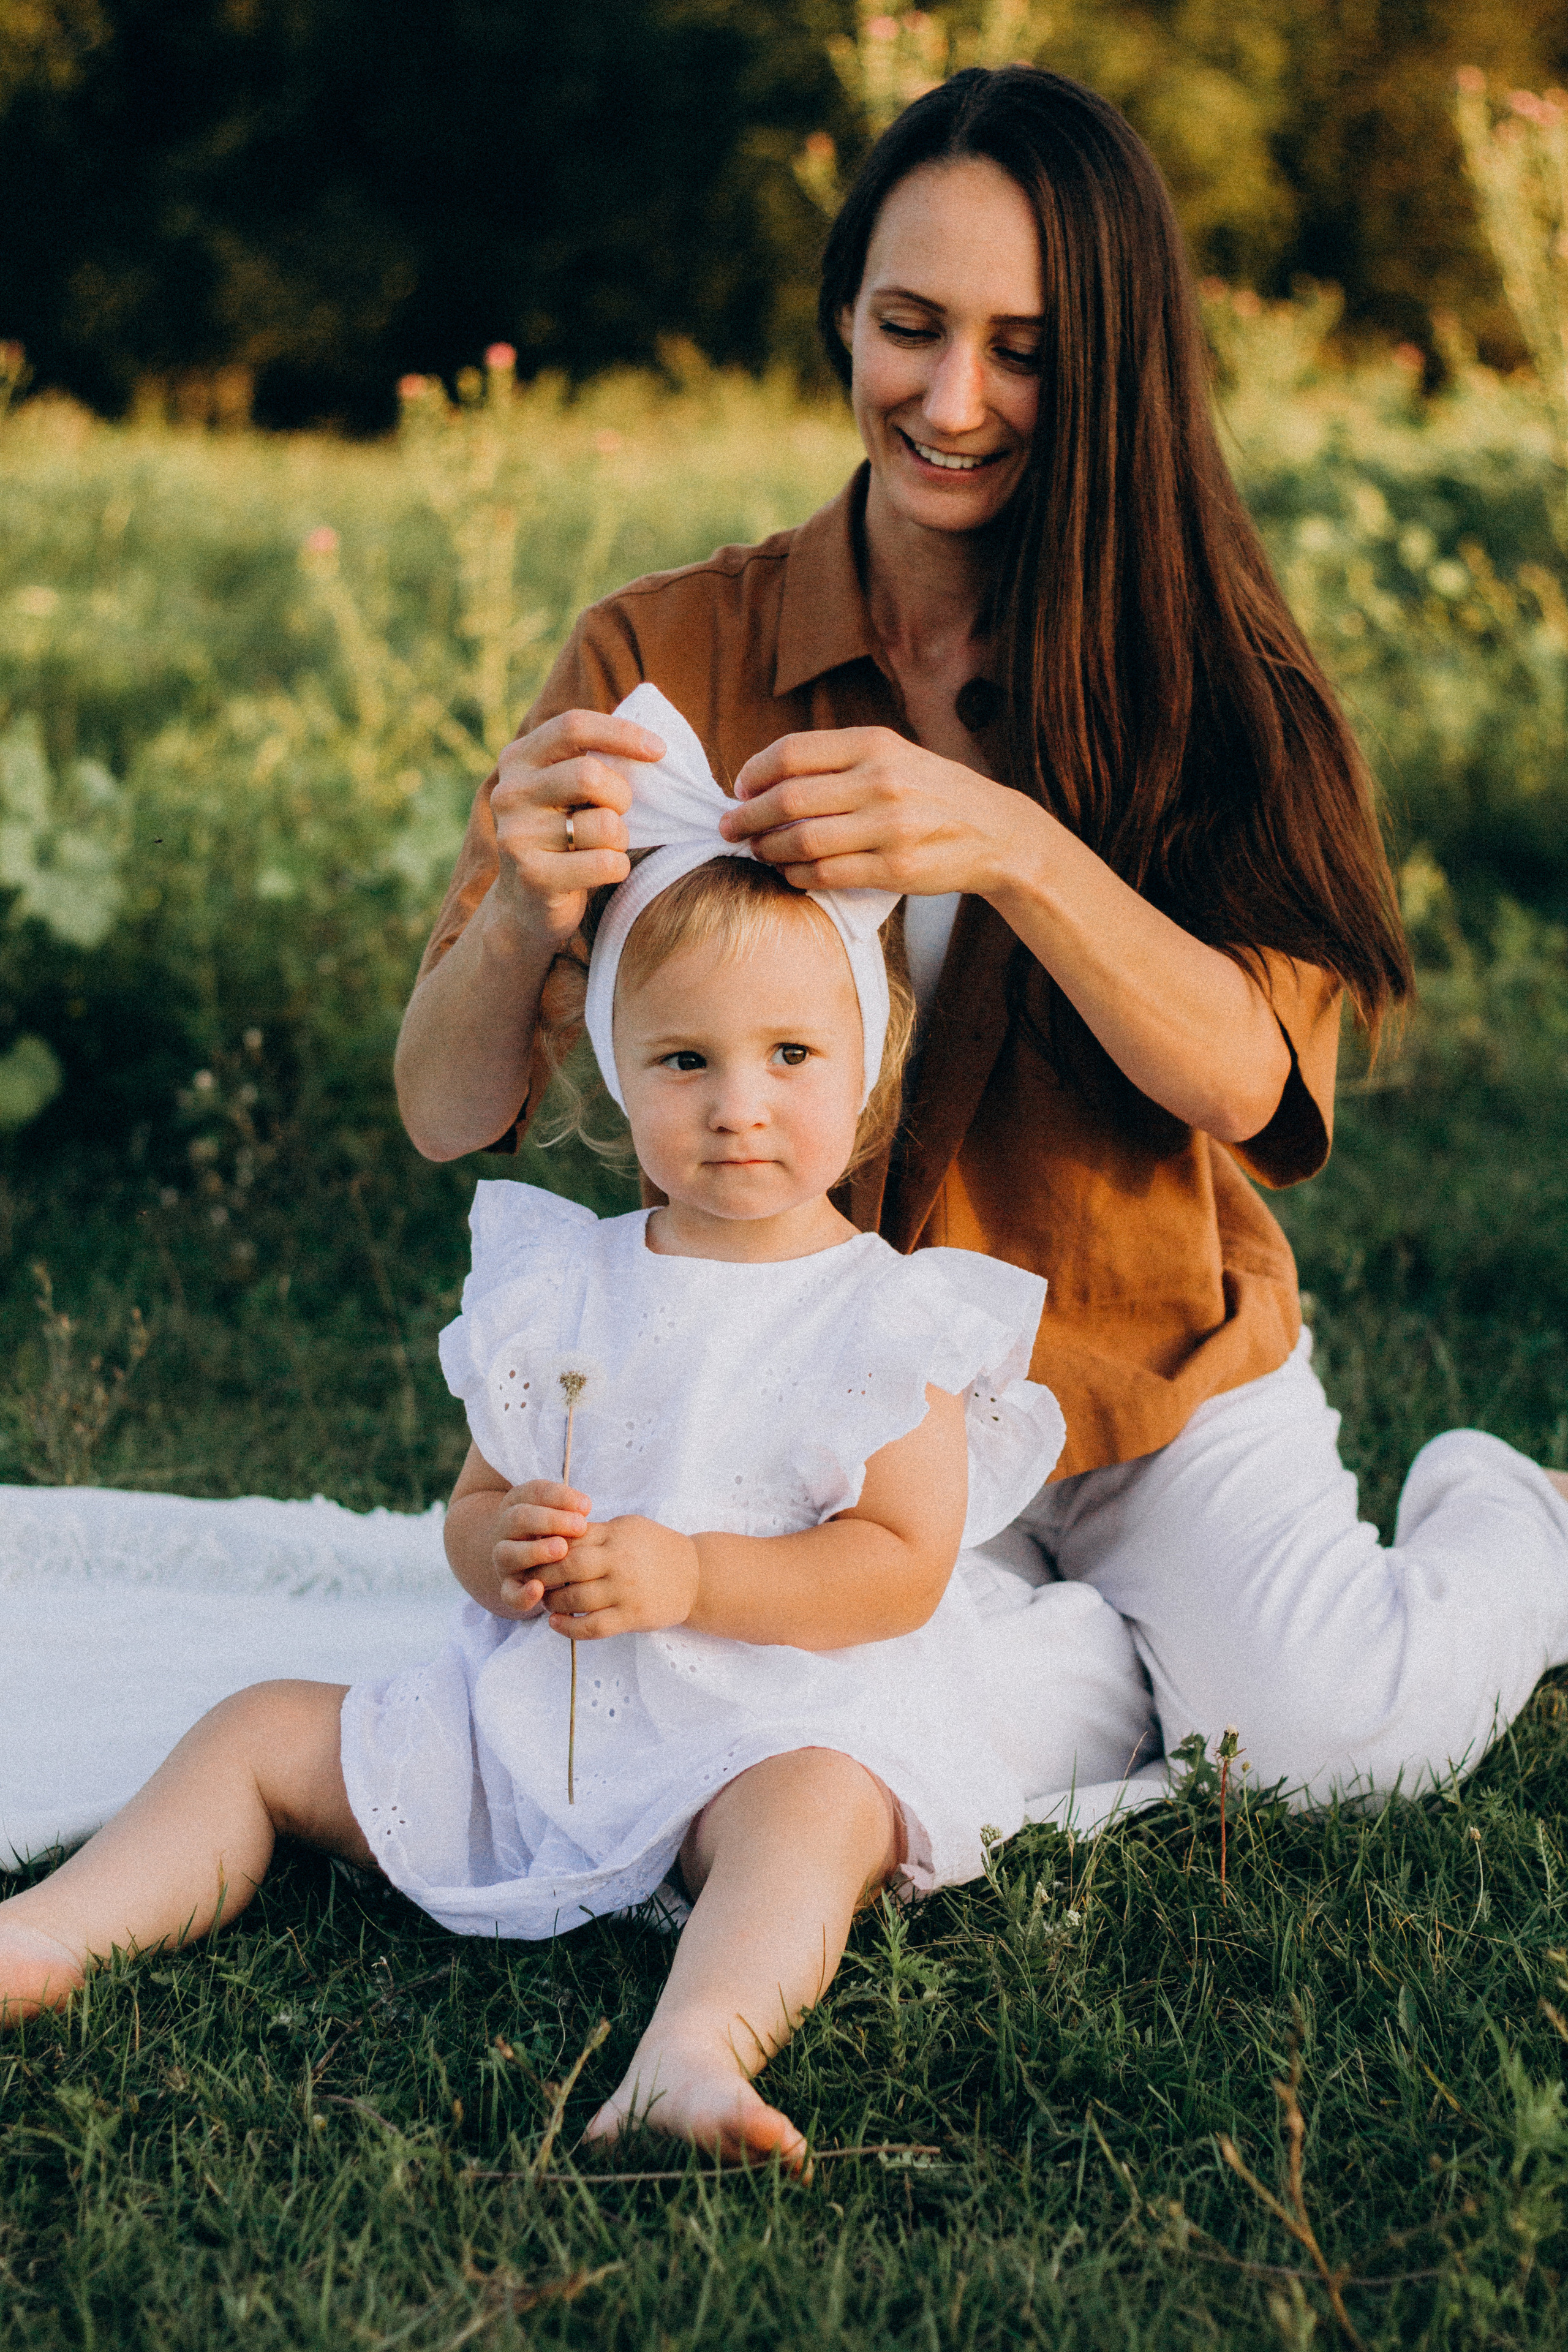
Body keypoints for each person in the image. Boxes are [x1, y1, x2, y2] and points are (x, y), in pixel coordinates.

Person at [395, 66, 1568, 1810]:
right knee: (749, 1720)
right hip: (818, 1396)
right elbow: (443, 1111)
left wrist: (1016, 848)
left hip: (1148, 1360)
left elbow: (1254, 1086)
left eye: (1023, 350)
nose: (951, 401)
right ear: (842, 318)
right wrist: (519, 917)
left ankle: (1513, 1516)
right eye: (908, 327)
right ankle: (1112, 1656)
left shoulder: (1213, 676)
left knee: (1334, 1745)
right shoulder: (663, 653)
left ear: (1113, 365)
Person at [0, 707, 1153, 2164]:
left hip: (761, 1716)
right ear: (614, 1068)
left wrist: (693, 1578)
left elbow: (898, 1565)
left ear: (865, 1065)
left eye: (790, 1053)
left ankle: (693, 2054)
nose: (738, 1106)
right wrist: (505, 1549)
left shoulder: (888, 1317)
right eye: (683, 1062)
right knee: (260, 1728)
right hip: (545, 1709)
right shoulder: (563, 1285)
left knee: (817, 1813)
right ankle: (53, 1930)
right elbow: (471, 1505)